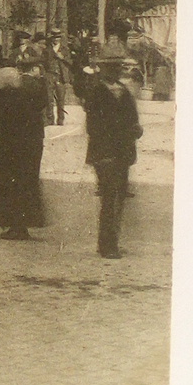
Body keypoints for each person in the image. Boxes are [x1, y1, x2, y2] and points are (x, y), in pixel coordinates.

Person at [0, 54, 47, 240]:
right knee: (27, 183)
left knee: (12, 184)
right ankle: (23, 224)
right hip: (30, 147)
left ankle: (16, 226)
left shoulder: (1, 100)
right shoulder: (28, 95)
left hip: (10, 150)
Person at [84, 57, 143, 259]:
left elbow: (132, 117)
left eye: (119, 67)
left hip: (123, 151)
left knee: (118, 197)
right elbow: (93, 126)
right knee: (110, 196)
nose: (117, 71)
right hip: (105, 152)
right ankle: (108, 244)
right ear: (103, 69)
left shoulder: (123, 91)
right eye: (112, 67)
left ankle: (111, 241)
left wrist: (136, 129)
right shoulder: (96, 91)